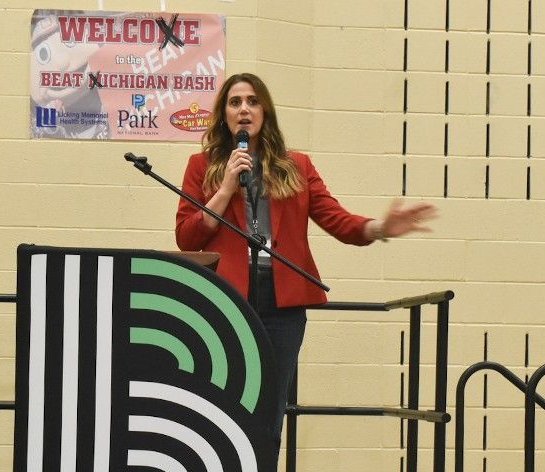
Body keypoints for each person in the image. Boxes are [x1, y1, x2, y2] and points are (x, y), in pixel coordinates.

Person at [175, 72, 437, 450]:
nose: (244, 109)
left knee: (269, 413)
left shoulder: (296, 166)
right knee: (224, 404)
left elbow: (338, 221)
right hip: (227, 299)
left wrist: (380, 227)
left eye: (252, 101)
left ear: (265, 111)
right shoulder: (201, 167)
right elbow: (187, 236)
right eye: (235, 102)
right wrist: (226, 187)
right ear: (224, 115)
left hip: (282, 305)